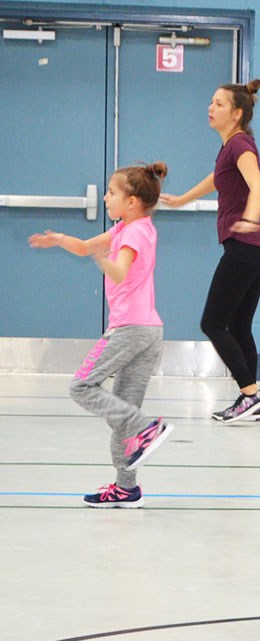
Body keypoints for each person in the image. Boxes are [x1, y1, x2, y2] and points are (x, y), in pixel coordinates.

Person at [29, 163, 174, 507]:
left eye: (112, 192)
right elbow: (84, 248)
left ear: (133, 201)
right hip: (148, 330)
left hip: (130, 329)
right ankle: (127, 488)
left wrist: (100, 257)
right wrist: (61, 239)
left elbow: (120, 272)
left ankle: (145, 427)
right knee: (122, 417)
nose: (106, 197)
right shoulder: (130, 227)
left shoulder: (135, 233)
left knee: (81, 386)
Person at [161, 78, 260, 424]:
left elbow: (259, 185)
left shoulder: (240, 144)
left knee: (212, 322)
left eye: (219, 104)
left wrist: (251, 218)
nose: (211, 108)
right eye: (211, 102)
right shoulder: (231, 147)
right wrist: (182, 199)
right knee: (239, 325)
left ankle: (251, 394)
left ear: (237, 113)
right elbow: (218, 178)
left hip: (245, 247)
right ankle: (249, 399)